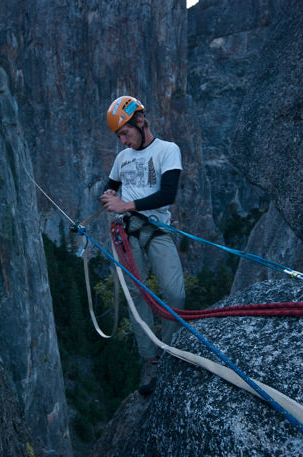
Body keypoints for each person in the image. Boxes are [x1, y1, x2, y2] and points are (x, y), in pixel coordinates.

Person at [99, 95, 186, 395]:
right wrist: (109, 198)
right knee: (137, 296)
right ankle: (151, 359)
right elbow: (109, 187)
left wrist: (125, 205)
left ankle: (172, 351)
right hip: (125, 233)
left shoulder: (167, 150)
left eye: (125, 133)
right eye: (119, 136)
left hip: (157, 229)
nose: (123, 141)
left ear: (140, 120)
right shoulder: (122, 159)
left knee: (174, 292)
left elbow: (168, 194)